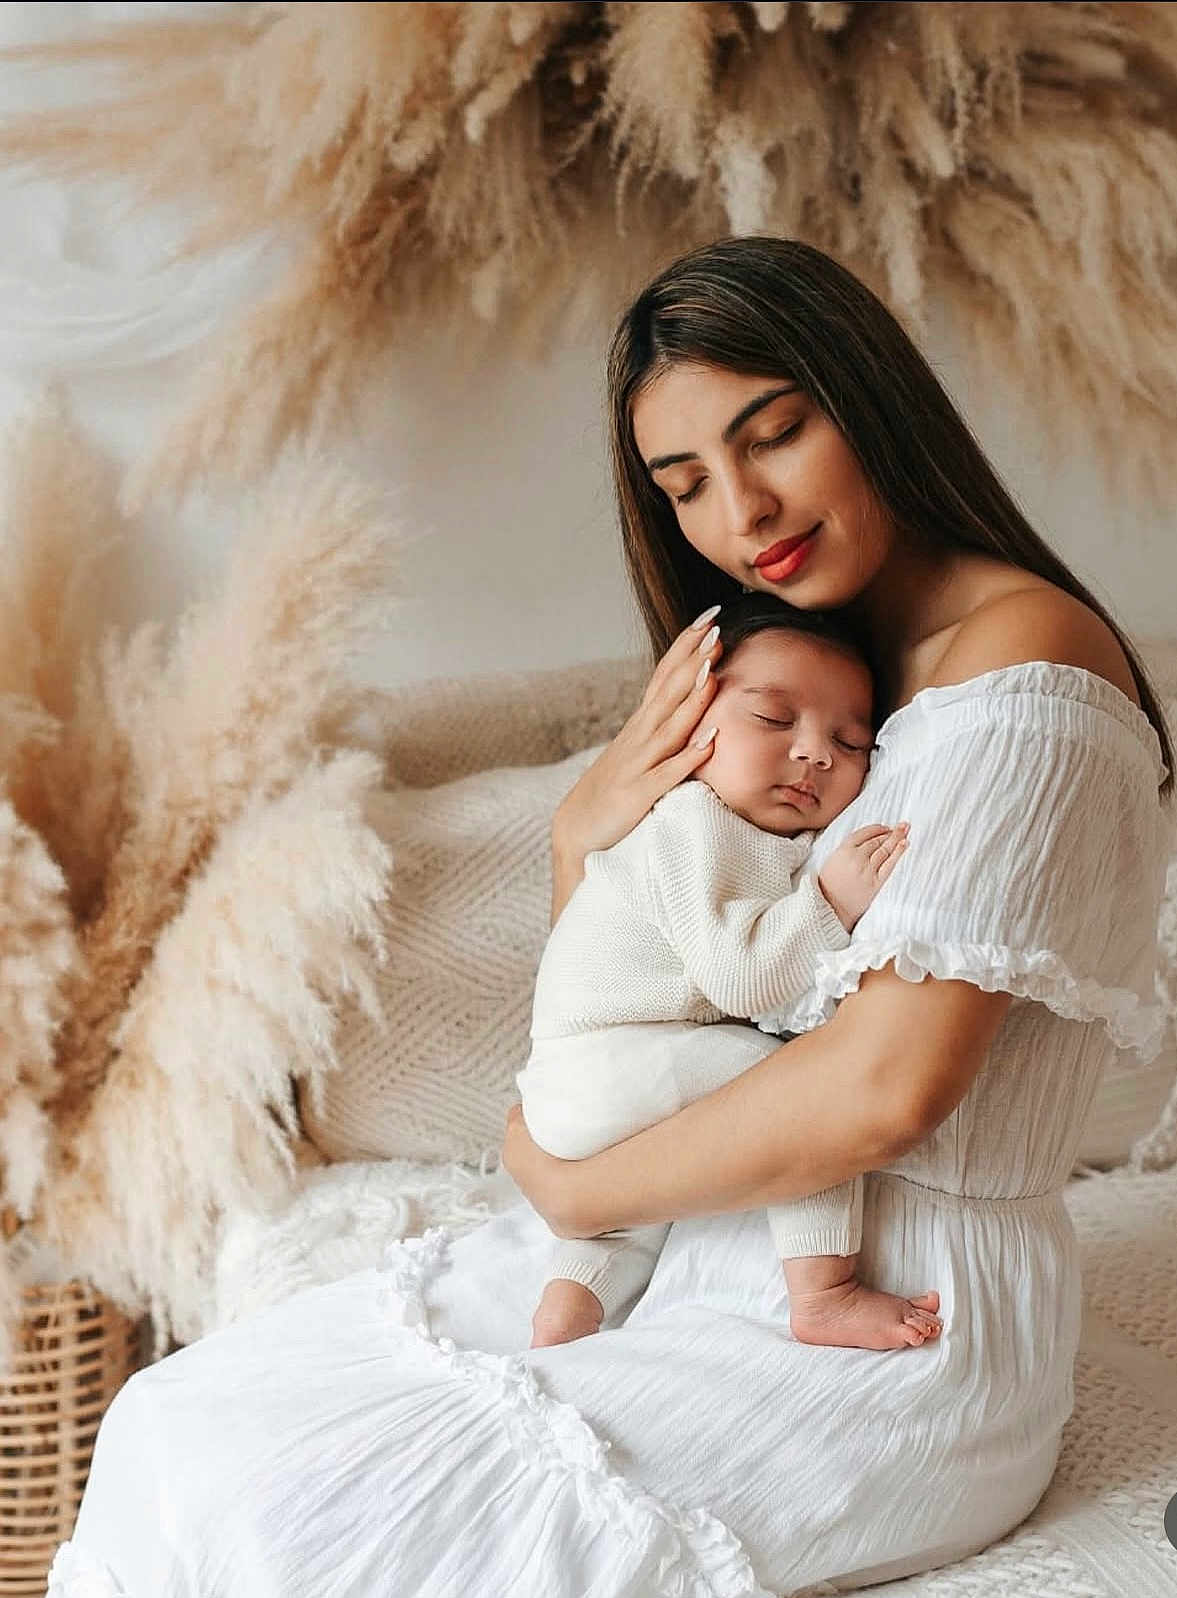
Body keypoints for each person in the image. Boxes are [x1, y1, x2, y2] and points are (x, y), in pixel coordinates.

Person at [52, 236, 1172, 1598]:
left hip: (895, 1330)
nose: (741, 509)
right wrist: (586, 834)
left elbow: (891, 1084)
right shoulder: (817, 679)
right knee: (180, 1427)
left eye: (775, 433)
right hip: (694, 1244)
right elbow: (652, 992)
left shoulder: (1023, 664)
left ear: (870, 399)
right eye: (683, 481)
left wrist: (573, 1182)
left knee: (315, 1532)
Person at [521, 593, 934, 1353]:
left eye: (849, 742)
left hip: (582, 1090)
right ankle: (825, 1292)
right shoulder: (693, 822)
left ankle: (569, 1308)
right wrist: (829, 902)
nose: (814, 753)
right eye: (774, 720)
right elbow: (741, 979)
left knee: (641, 1205)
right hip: (612, 1058)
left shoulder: (740, 830)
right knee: (806, 1093)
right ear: (691, 727)